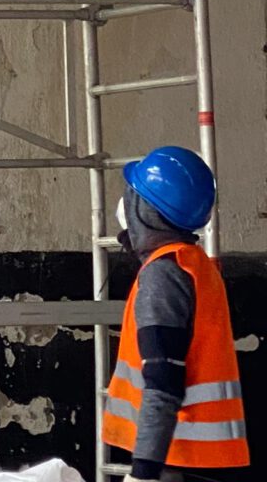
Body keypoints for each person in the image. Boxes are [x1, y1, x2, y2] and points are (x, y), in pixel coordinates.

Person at [103, 146, 249, 482]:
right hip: (196, 460)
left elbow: (163, 381)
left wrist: (143, 473)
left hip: (174, 461)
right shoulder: (191, 265)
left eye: (133, 194)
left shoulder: (163, 276)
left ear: (146, 211)